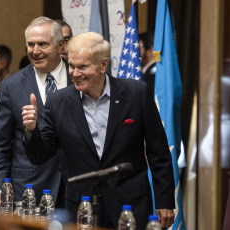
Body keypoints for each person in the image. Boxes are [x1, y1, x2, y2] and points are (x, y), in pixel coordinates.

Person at [22, 32, 175, 230]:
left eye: (83, 67)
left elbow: (159, 152)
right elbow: (40, 155)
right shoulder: (58, 102)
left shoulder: (137, 93)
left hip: (130, 205)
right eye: (72, 66)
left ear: (103, 65)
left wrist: (164, 201)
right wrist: (31, 130)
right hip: (82, 208)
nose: (74, 73)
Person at [0, 16, 72, 210]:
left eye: (42, 44)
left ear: (61, 45)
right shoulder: (11, 86)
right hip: (30, 189)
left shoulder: (78, 78)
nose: (35, 51)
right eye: (31, 44)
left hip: (75, 188)